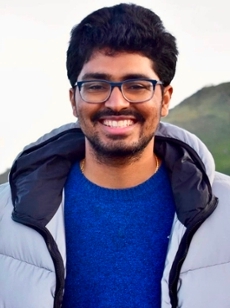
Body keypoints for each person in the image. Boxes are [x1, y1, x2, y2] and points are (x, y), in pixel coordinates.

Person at [0, 3, 230, 308]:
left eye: (136, 86)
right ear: (74, 99)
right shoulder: (5, 215)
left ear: (165, 99)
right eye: (96, 85)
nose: (117, 102)